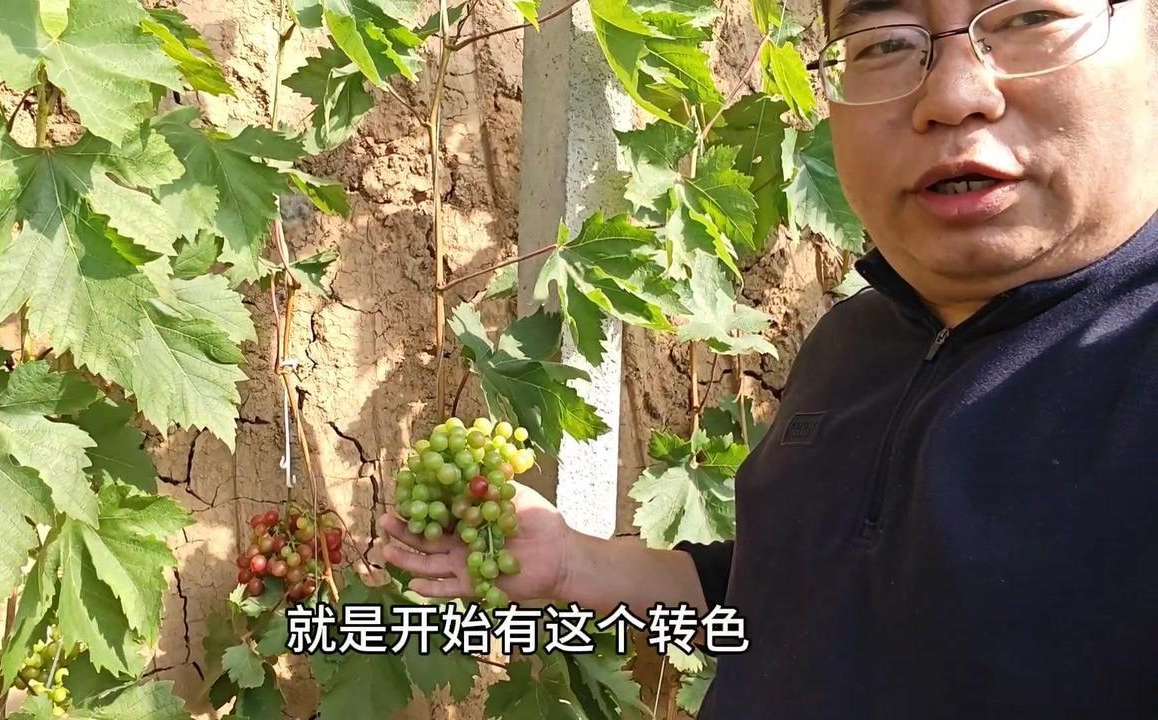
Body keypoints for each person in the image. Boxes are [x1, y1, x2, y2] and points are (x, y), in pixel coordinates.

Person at [379, 0, 1158, 716]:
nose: (953, 95)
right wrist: (573, 564)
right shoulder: (855, 341)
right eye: (883, 43)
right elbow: (771, 594)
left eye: (1030, 17)